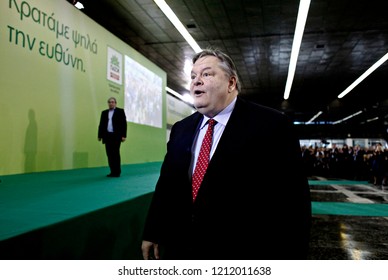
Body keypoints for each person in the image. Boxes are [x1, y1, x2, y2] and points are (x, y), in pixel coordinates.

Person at [141, 48, 311, 260]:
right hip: (182, 249)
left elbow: (294, 201)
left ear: (231, 83)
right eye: (193, 76)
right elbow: (167, 185)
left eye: (206, 74)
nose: (196, 81)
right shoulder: (181, 129)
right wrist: (153, 230)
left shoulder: (273, 125)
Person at [98, 97, 127, 177]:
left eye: (112, 102)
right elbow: (101, 125)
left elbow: (123, 124)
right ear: (108, 103)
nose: (111, 103)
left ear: (115, 103)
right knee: (109, 154)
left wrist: (124, 135)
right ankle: (112, 172)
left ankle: (117, 172)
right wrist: (100, 135)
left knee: (115, 154)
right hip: (107, 136)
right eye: (109, 102)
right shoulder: (104, 113)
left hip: (116, 136)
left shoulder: (120, 111)